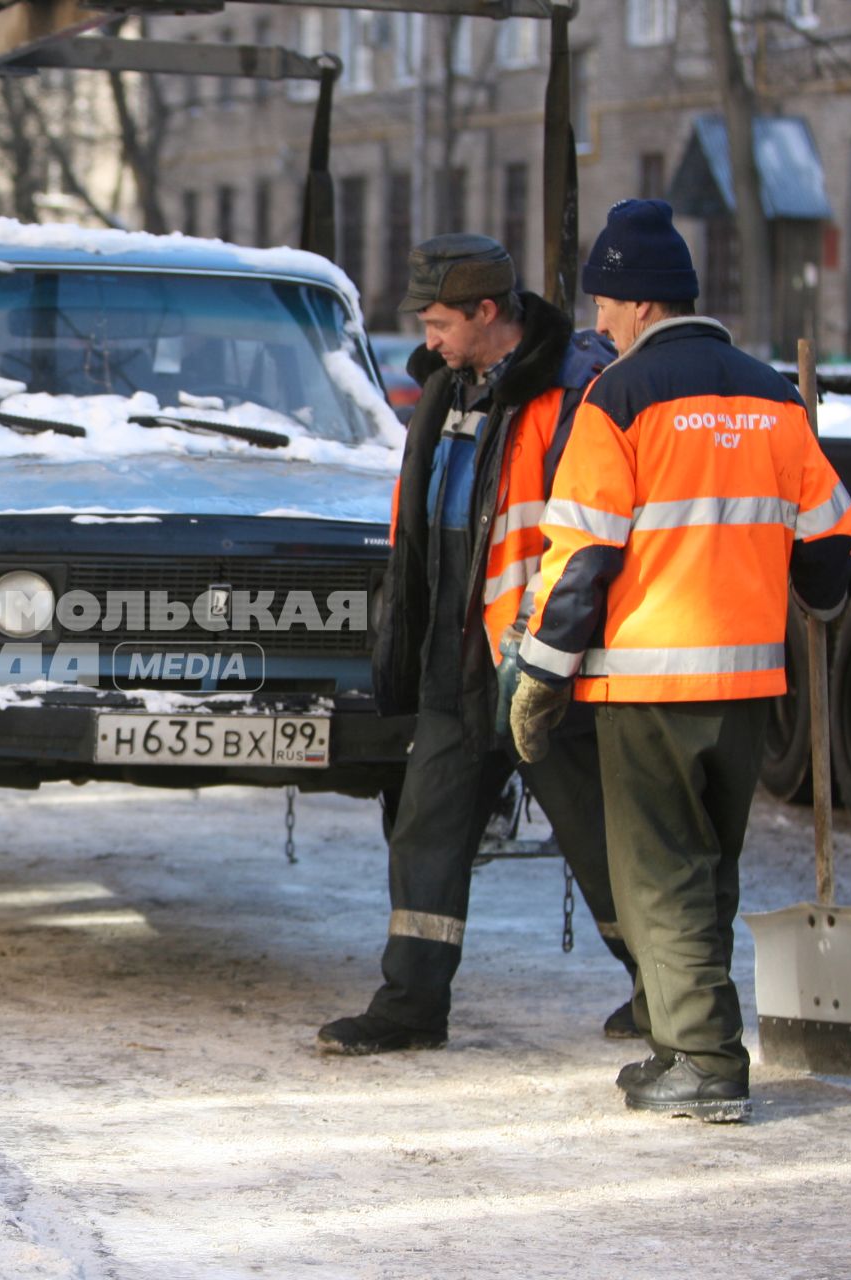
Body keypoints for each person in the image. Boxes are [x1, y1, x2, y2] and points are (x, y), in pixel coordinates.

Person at [510, 199, 851, 1121]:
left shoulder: (617, 400)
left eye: (604, 305)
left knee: (659, 873)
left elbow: (582, 555)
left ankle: (706, 1061)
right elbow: (829, 534)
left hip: (652, 682)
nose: (596, 323)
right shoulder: (774, 397)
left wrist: (542, 672)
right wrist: (819, 597)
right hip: (746, 685)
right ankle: (680, 1043)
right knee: (706, 866)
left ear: (641, 304)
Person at [317, 233, 638, 1056]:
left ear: (486, 313)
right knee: (426, 826)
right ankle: (410, 1007)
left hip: (541, 659)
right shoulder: (446, 388)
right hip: (457, 656)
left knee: (597, 837)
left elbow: (587, 536)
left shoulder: (576, 394)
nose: (428, 339)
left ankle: (666, 994)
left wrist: (548, 653)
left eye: (438, 321)